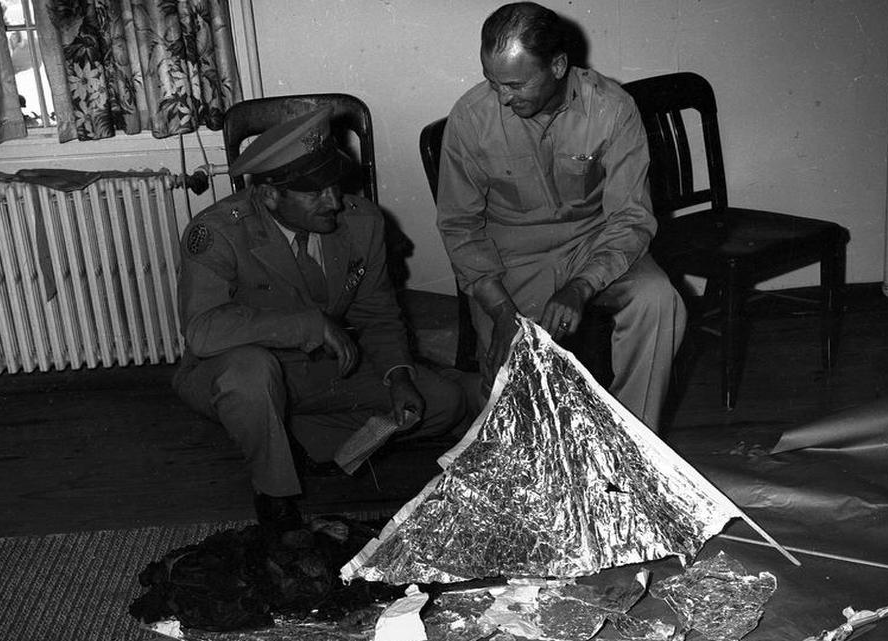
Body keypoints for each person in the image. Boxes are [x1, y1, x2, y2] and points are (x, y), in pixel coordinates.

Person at [174, 107, 466, 531]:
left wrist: (398, 375)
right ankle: (276, 500)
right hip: (238, 368)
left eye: (334, 184)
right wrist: (307, 325)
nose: (333, 201)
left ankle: (299, 439)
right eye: (314, 192)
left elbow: (378, 314)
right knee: (251, 375)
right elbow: (203, 331)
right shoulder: (218, 233)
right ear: (271, 194)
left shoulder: (361, 221)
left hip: (322, 372)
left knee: (443, 402)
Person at [436, 2, 686, 431]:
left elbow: (630, 218)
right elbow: (460, 227)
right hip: (511, 258)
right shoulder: (470, 118)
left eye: (514, 83)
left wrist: (583, 283)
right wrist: (499, 311)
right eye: (491, 81)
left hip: (594, 243)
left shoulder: (612, 108)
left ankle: (634, 445)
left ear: (557, 65)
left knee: (658, 299)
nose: (502, 97)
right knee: (510, 400)